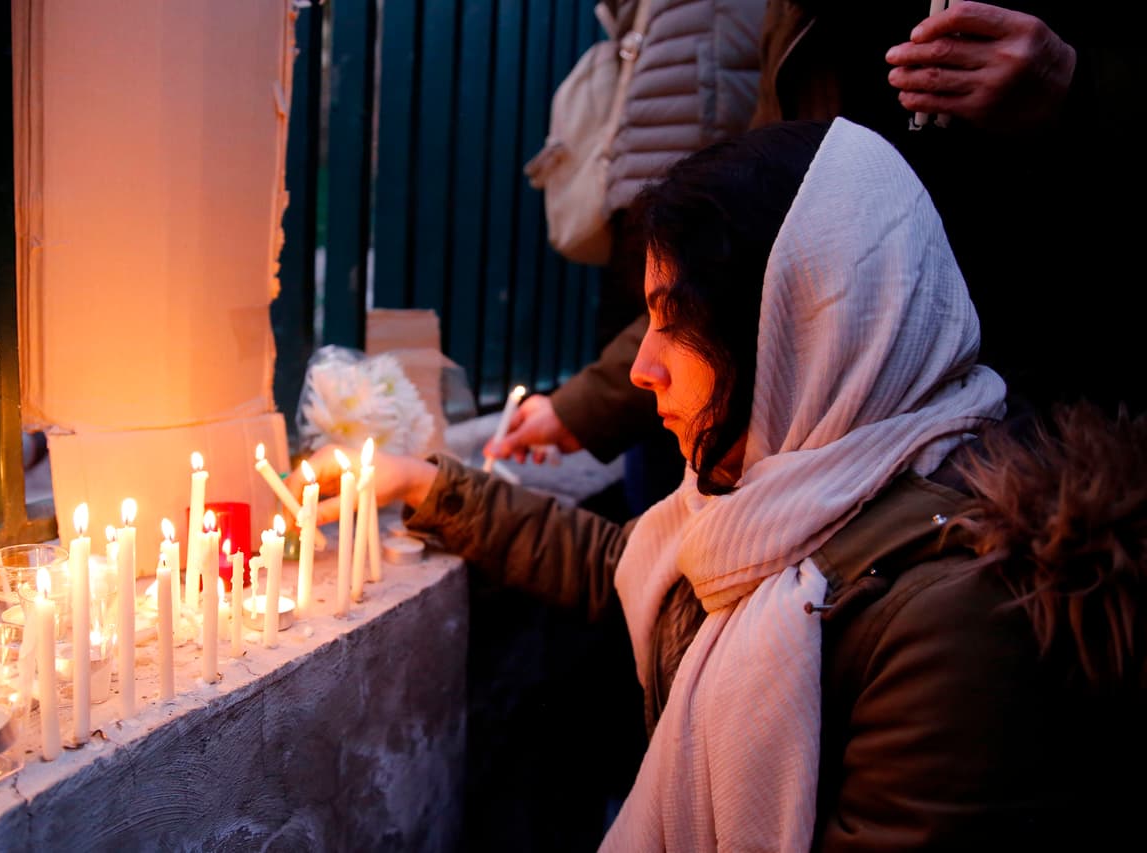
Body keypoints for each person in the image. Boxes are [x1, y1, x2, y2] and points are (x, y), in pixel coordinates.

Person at [301, 118, 1145, 849]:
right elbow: (628, 567)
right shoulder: (795, 497)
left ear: (798, 326)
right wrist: (426, 483)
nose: (643, 368)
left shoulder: (956, 622)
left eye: (678, 321)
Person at [493, 1, 1143, 480]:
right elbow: (743, 240)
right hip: (846, 438)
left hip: (1055, 410)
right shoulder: (797, 23)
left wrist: (1075, 88)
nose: (646, 369)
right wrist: (579, 409)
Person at [507, 0, 766, 517]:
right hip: (653, 214)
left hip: (695, 217)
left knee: (668, 495)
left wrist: (581, 410)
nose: (644, 371)